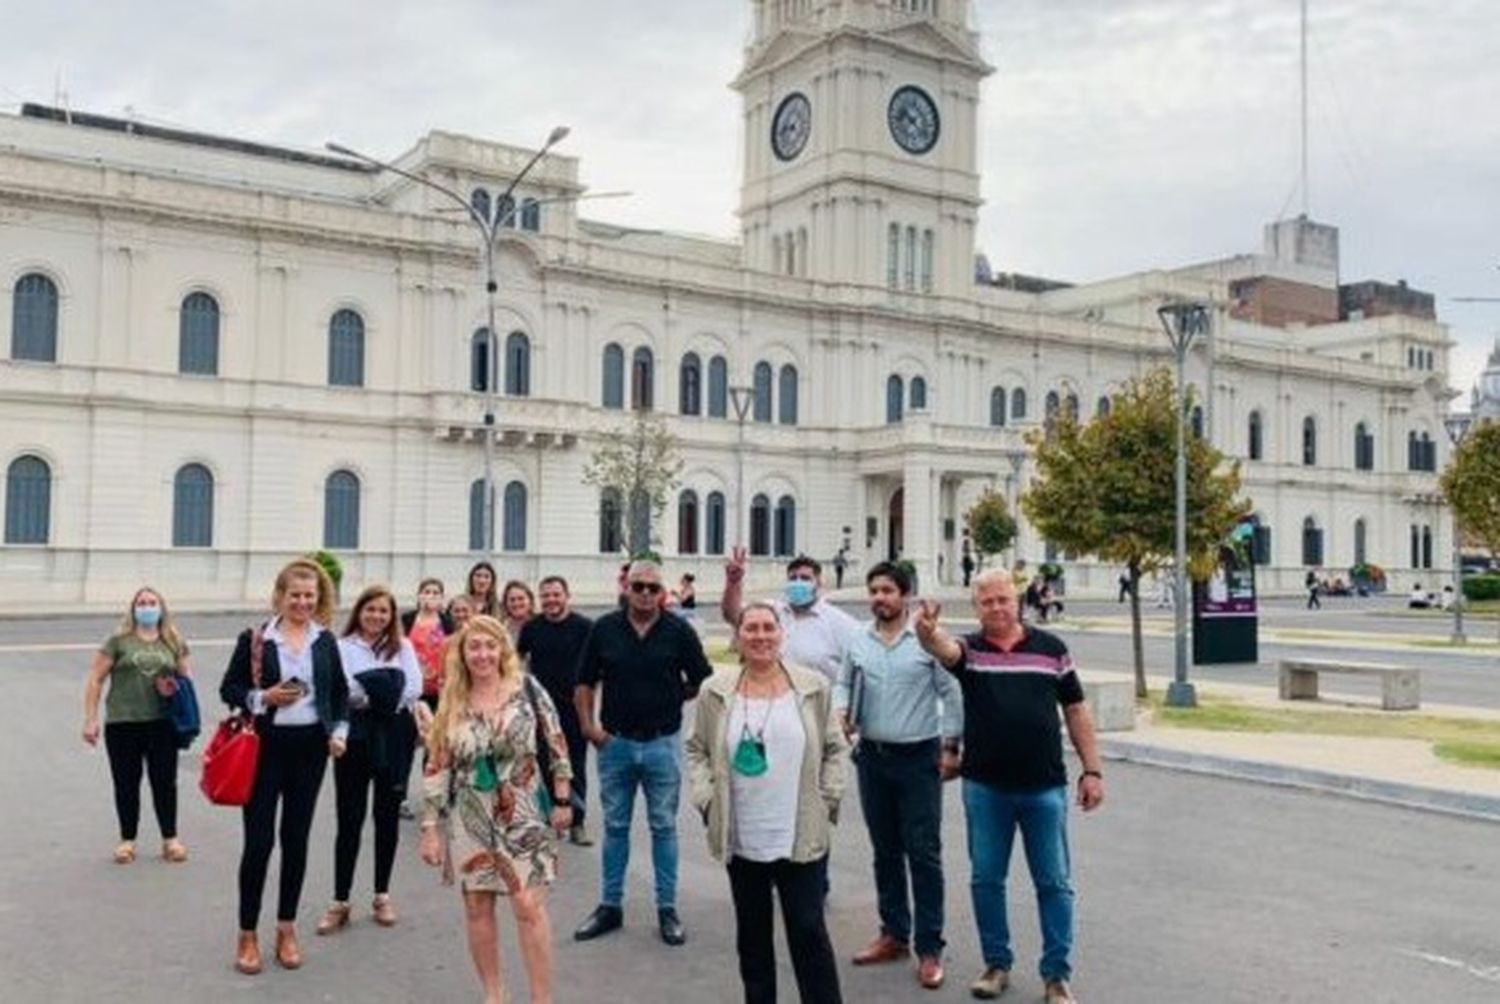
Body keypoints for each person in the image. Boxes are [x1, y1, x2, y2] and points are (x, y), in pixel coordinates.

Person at [913, 569, 1104, 1004]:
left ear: (1017, 600)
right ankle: (996, 964)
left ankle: (1056, 975)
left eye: (1003, 599)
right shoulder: (971, 651)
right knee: (986, 879)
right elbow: (942, 648)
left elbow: (1076, 711)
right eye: (987, 602)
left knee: (1054, 882)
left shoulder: (1051, 650)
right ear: (976, 607)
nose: (997, 607)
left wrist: (1092, 770)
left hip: (1044, 789)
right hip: (986, 789)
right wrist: (926, 631)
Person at [686, 602, 848, 1004]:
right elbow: (696, 750)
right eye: (751, 628)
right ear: (738, 637)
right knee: (753, 940)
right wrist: (707, 800)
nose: (761, 636)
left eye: (768, 628)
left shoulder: (811, 687)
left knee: (809, 932)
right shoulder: (716, 691)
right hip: (742, 836)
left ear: (782, 634)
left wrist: (827, 800)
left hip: (800, 833)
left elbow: (834, 748)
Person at [420, 615, 573, 1004]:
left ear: (502, 649)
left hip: (523, 807)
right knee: (477, 906)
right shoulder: (452, 697)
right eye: (475, 647)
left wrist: (562, 796)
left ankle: (542, 998)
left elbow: (555, 739)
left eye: (491, 646)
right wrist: (430, 826)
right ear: (463, 653)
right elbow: (437, 763)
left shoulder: (526, 687)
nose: (483, 654)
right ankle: (495, 994)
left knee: (527, 904)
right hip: (469, 812)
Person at [834, 562, 962, 990]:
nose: (879, 597)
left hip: (918, 759)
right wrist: (842, 710)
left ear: (905, 595)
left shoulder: (925, 640)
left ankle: (929, 948)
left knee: (923, 854)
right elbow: (844, 684)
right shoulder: (859, 639)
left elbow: (952, 692)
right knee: (885, 851)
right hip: (872, 757)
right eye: (874, 590)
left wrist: (950, 747)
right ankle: (893, 934)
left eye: (888, 590)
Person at [573, 559, 713, 946]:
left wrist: (672, 696)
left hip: (661, 745)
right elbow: (584, 681)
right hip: (615, 744)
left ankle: (667, 909)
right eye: (639, 587)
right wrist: (588, 727)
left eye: (654, 588)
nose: (647, 594)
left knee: (664, 827)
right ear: (626, 589)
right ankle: (609, 906)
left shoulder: (678, 631)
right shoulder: (605, 629)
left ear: (663, 593)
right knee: (615, 827)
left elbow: (702, 678)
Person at [220, 557, 350, 976]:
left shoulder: (325, 640)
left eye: (309, 596)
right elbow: (230, 687)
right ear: (280, 596)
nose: (302, 602)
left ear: (319, 598)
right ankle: (247, 934)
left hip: (310, 749)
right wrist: (264, 698)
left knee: (296, 840)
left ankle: (286, 929)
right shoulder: (258, 639)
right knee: (259, 843)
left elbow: (340, 694)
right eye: (295, 595)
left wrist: (339, 732)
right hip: (265, 748)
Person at [318, 585, 422, 935]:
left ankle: (382, 894)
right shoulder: (343, 647)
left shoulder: (403, 646)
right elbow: (342, 689)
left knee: (387, 815)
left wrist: (375, 690)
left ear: (391, 616)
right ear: (359, 611)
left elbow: (413, 689)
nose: (376, 616)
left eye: (383, 611)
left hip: (394, 734)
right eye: (370, 609)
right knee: (350, 818)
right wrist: (382, 686)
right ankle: (340, 900)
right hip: (355, 734)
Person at [82, 586, 192, 865]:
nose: (147, 607)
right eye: (141, 603)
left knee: (164, 783)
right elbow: (95, 678)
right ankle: (127, 840)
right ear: (133, 609)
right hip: (123, 722)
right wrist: (91, 719)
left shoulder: (173, 641)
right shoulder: (118, 641)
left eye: (152, 602)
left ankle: (171, 839)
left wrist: (176, 692)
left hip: (162, 724)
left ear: (161, 608)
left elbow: (186, 680)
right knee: (126, 784)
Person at [517, 576, 595, 846]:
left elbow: (598, 669)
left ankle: (578, 822)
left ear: (567, 596)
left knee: (575, 764)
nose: (551, 600)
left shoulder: (585, 627)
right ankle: (547, 814)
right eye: (546, 595)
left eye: (556, 594)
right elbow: (517, 660)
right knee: (539, 763)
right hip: (539, 710)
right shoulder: (532, 627)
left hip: (574, 708)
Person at [722, 549, 859, 687]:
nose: (798, 583)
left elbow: (858, 672)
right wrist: (733, 583)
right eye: (793, 578)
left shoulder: (841, 623)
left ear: (818, 583)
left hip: (817, 703)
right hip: (771, 698)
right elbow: (733, 615)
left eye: (805, 578)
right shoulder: (772, 611)